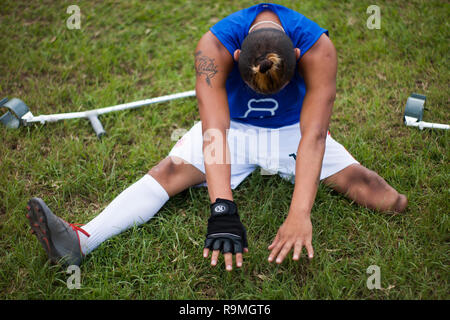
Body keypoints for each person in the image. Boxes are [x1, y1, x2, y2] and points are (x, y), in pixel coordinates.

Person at [26, 3, 407, 271]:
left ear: (296, 54)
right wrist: (222, 209)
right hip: (235, 128)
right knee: (169, 170)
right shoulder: (213, 48)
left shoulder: (319, 49)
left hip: (294, 131)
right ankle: (81, 241)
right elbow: (214, 131)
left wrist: (298, 213)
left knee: (384, 198)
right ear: (236, 54)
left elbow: (315, 136)